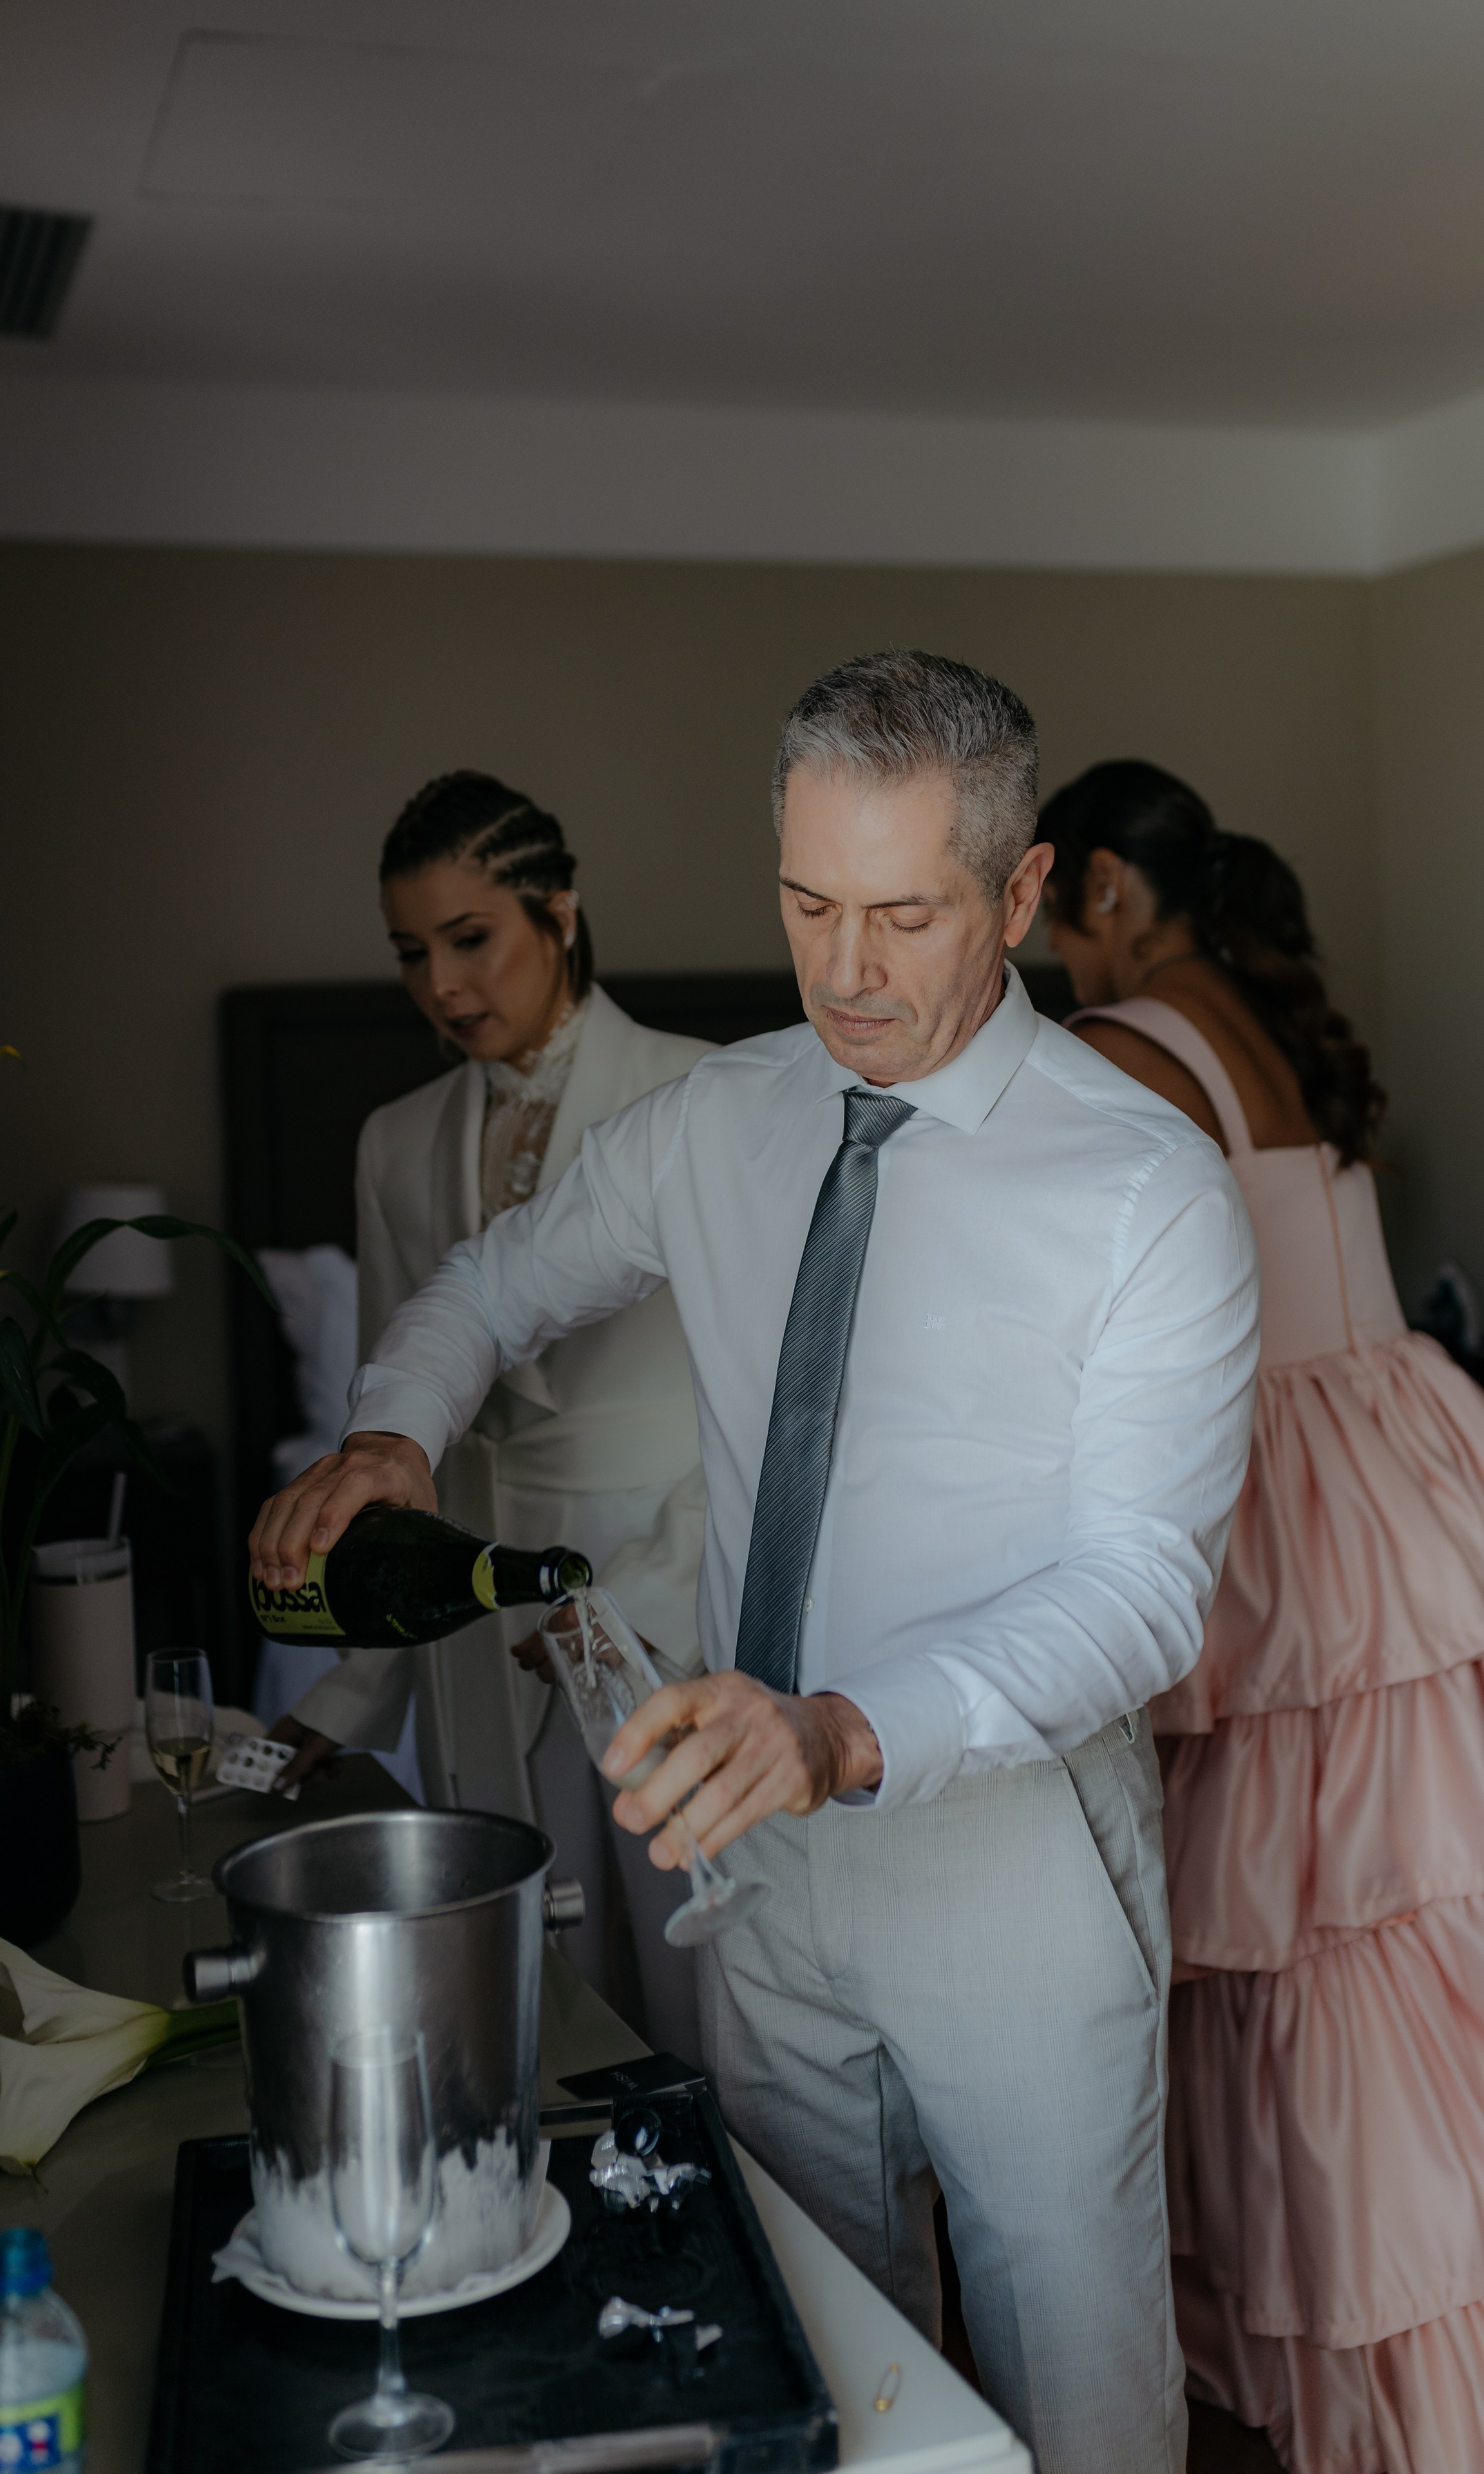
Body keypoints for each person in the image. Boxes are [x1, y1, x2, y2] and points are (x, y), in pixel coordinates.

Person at [251, 655, 1260, 2474]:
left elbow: (1141, 1592)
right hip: (765, 1870)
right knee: (807, 2358)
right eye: (807, 905)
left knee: (1082, 2405)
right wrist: (398, 1426)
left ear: (1021, 894)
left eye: (904, 914)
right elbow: (489, 1281)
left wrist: (845, 1733)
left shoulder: (1147, 1189)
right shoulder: (726, 1118)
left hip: (1008, 1869)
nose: (846, 972)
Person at [1045, 758, 1484, 2474]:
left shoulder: (1121, 1047)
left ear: (1098, 888)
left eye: (1046, 906)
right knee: (1400, 1941)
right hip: (1389, 1485)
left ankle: (1347, 2373)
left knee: (1291, 1956)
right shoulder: (1274, 1022)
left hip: (1284, 1526)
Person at [267, 769, 712, 2055]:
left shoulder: (702, 1097)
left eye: (471, 939)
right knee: (524, 1994)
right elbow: (383, 1441)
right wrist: (348, 1694)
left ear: (558, 913)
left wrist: (641, 1598)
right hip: (463, 1603)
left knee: (686, 1991)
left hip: (652, 1597)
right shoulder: (392, 1140)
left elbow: (761, 1417)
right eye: (412, 953)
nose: (442, 987)